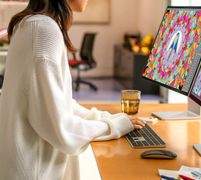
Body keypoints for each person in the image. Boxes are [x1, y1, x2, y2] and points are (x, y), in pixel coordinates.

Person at [0, 0, 145, 179]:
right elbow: (61, 129)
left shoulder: (30, 24)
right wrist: (115, 126)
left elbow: (60, 103)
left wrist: (107, 117)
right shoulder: (43, 30)